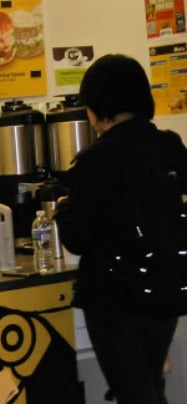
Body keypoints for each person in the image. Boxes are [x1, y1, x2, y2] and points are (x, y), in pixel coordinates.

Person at [54, 54, 187, 404]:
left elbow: (78, 239)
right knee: (150, 384)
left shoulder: (95, 161)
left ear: (96, 108)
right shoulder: (170, 147)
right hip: (167, 286)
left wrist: (63, 209)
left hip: (114, 299)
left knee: (135, 393)